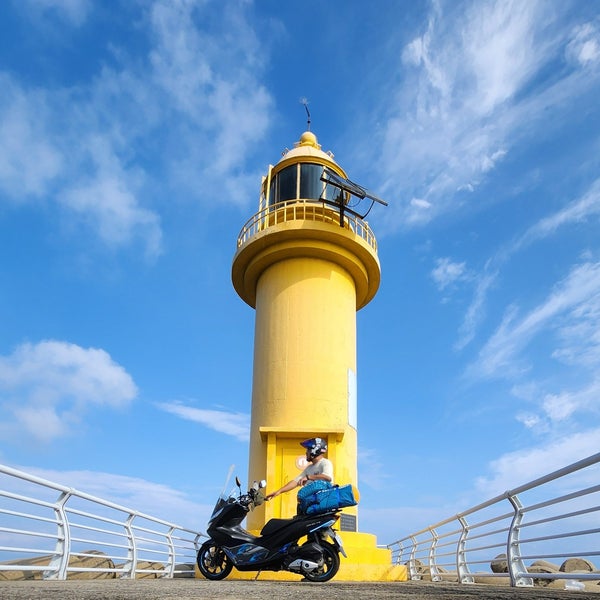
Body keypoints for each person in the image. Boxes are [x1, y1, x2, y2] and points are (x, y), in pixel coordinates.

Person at [266, 437, 333, 501]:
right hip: (312, 502)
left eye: (308, 450)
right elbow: (295, 482)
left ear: (315, 450)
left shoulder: (325, 462)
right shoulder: (309, 468)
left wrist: (309, 477)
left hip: (324, 500)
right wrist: (279, 491)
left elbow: (327, 477)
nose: (306, 452)